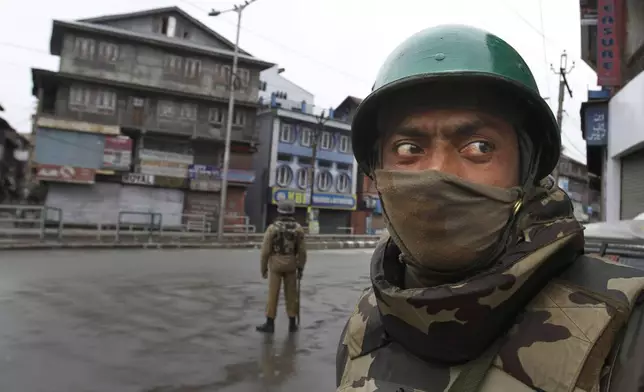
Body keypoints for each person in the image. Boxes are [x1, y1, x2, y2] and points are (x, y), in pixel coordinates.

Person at [336, 24, 644, 392]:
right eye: (408, 149)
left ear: (526, 171)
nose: (439, 174)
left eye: (479, 147)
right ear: (377, 171)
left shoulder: (626, 332)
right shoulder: (364, 322)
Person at [257, 199, 306, 333]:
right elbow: (302, 251)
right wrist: (301, 268)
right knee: (292, 295)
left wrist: (263, 269)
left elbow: (265, 251)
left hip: (276, 264)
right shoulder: (298, 229)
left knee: (273, 294)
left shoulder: (272, 228)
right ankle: (292, 323)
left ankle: (270, 323)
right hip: (291, 264)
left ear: (279, 211)